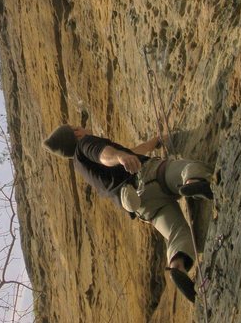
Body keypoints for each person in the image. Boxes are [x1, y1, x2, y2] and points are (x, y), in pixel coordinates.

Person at [43, 124, 213, 303]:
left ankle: (177, 266)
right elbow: (104, 155)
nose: (82, 127)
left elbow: (130, 153)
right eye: (78, 127)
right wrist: (120, 156)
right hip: (148, 176)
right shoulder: (85, 144)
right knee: (187, 168)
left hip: (142, 206)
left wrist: (151, 142)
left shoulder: (81, 166)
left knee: (176, 232)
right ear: (76, 134)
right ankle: (193, 181)